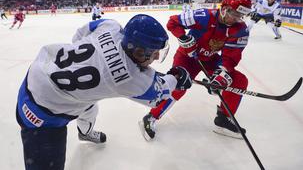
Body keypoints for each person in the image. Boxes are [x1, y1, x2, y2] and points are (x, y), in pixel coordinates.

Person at [16, 14, 192, 170]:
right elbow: (159, 94)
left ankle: (84, 132)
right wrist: (177, 78)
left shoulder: (110, 26)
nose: (156, 58)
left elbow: (80, 33)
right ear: (138, 52)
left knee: (90, 105)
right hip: (40, 112)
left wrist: (97, 59)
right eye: (154, 53)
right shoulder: (130, 80)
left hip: (40, 70)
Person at [140, 0, 252, 140]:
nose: (236, 19)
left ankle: (223, 119)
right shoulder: (203, 16)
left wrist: (221, 75)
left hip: (210, 59)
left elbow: (230, 57)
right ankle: (151, 116)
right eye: (234, 14)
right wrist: (183, 37)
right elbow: (172, 22)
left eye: (240, 16)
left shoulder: (240, 29)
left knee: (239, 80)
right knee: (178, 85)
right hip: (187, 57)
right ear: (224, 8)